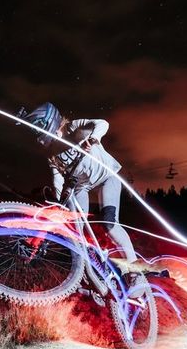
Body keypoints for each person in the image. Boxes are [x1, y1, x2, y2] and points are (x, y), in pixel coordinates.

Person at [18, 102, 139, 275]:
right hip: (82, 186)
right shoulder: (51, 153)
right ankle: (90, 266)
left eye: (39, 130)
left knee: (109, 224)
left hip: (107, 176)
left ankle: (134, 267)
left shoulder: (72, 127)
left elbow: (102, 123)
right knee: (76, 227)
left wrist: (94, 138)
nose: (39, 138)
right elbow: (57, 178)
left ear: (49, 122)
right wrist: (60, 202)